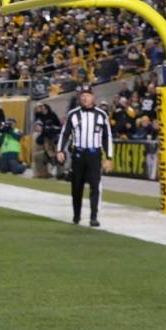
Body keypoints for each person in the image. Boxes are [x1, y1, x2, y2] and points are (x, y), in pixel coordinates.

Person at [57, 87, 113, 227]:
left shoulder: (101, 115)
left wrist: (109, 157)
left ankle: (94, 217)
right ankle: (76, 215)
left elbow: (107, 137)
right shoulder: (73, 114)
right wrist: (60, 150)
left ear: (93, 97)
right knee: (77, 187)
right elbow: (65, 133)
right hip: (78, 154)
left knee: (95, 186)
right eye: (82, 95)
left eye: (87, 95)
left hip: (94, 155)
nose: (85, 98)